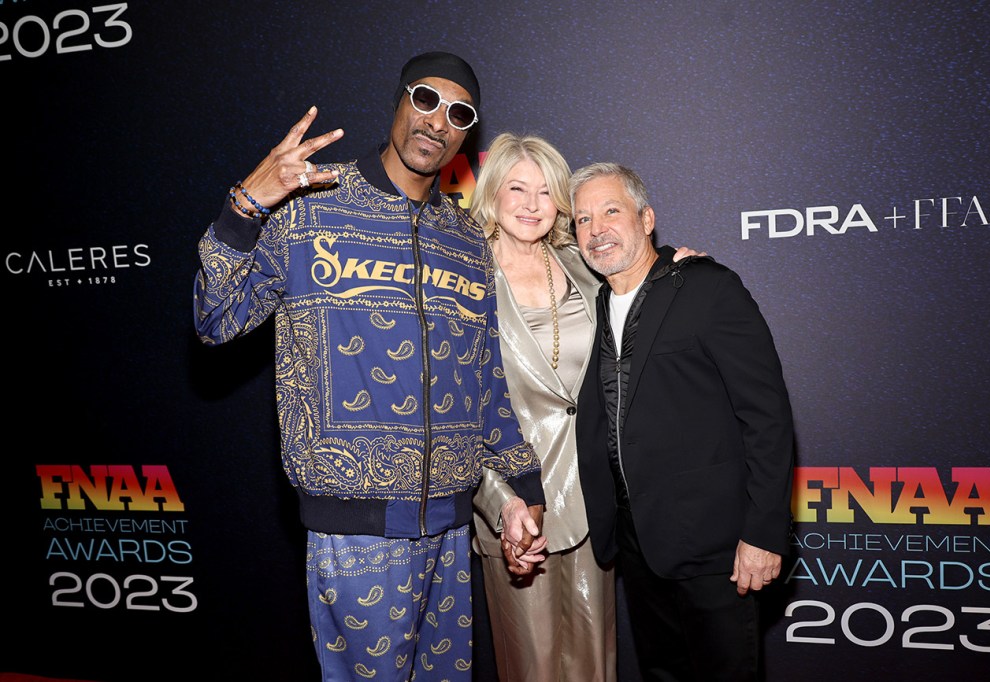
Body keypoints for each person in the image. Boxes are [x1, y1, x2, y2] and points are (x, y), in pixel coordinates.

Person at [192, 52, 546, 682]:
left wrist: (524, 489)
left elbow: (485, 378)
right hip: (355, 530)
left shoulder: (465, 240)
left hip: (451, 524)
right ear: (398, 102)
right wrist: (248, 204)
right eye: (426, 100)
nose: (438, 122)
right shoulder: (310, 210)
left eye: (458, 113)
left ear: (467, 135)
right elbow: (216, 319)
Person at [468, 134, 702, 682]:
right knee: (534, 666)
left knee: (596, 664)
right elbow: (454, 410)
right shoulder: (462, 277)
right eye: (517, 189)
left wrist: (680, 267)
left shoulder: (582, 264)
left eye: (546, 193)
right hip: (517, 502)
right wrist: (500, 501)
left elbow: (640, 279)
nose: (531, 204)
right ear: (492, 195)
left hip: (597, 495)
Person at [570, 162, 795, 681]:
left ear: (646, 219)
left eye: (611, 211)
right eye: (583, 219)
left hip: (716, 545)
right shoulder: (597, 303)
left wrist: (763, 533)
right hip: (639, 543)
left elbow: (767, 417)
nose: (596, 229)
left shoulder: (708, 289)